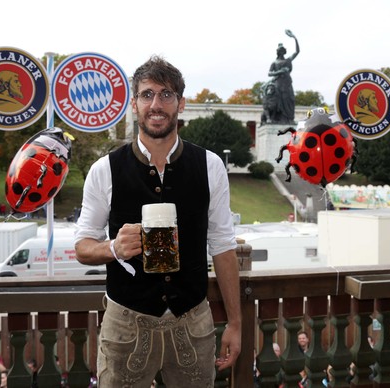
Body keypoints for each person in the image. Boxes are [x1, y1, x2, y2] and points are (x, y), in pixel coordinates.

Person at [74, 55, 242, 387]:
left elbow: (223, 246)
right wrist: (114, 248)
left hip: (193, 323)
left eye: (166, 94)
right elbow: (82, 247)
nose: (156, 104)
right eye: (147, 94)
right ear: (134, 104)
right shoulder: (104, 169)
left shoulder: (210, 166)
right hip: (125, 325)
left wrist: (235, 323)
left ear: (180, 104)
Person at [267, 29, 300, 124]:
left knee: (290, 100)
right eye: (280, 51)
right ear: (278, 52)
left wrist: (294, 38)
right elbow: (269, 73)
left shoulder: (288, 60)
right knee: (279, 103)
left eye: (283, 50)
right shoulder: (274, 62)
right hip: (278, 84)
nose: (281, 52)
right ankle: (278, 119)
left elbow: (297, 51)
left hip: (287, 83)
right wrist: (279, 72)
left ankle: (289, 119)